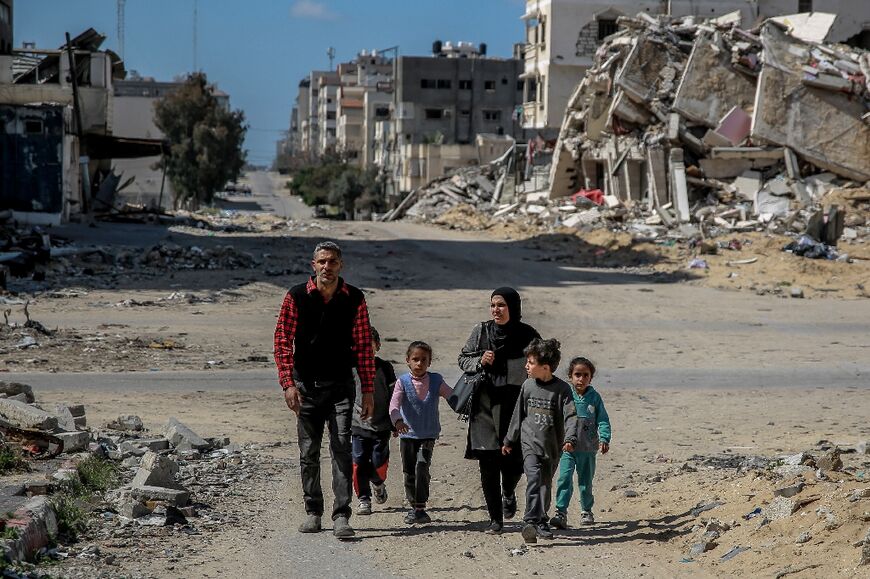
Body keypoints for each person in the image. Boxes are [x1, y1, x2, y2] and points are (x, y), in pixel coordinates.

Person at [273, 241, 375, 539]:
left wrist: (367, 390)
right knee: (309, 452)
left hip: (342, 387)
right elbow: (282, 342)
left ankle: (342, 515)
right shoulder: (296, 297)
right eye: (322, 262)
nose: (327, 267)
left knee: (342, 448)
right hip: (305, 386)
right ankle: (313, 511)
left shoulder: (354, 298)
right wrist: (287, 384)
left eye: (332, 262)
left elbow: (364, 349)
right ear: (313, 265)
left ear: (340, 265)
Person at [458, 287, 540, 534]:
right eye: (493, 305)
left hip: (516, 406)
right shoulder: (480, 331)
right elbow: (463, 359)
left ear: (513, 308)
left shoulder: (528, 335)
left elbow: (543, 361)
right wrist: (479, 360)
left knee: (514, 462)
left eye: (501, 305)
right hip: (484, 405)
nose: (496, 310)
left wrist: (532, 372)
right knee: (488, 463)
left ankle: (508, 491)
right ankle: (496, 519)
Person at [502, 338, 578, 544]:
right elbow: (518, 414)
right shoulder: (527, 386)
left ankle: (541, 520)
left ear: (545, 368)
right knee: (534, 478)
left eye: (530, 363)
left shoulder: (562, 390)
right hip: (530, 445)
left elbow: (571, 416)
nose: (526, 366)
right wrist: (509, 439)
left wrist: (570, 439)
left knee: (545, 485)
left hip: (552, 447)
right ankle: (530, 520)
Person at [389, 341, 453, 525]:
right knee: (409, 471)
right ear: (407, 360)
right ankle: (412, 506)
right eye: (415, 359)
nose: (419, 364)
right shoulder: (402, 382)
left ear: (429, 362)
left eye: (423, 360)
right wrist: (398, 421)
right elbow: (394, 404)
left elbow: (452, 396)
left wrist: (467, 404)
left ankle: (420, 506)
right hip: (407, 436)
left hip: (428, 435)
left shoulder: (436, 381)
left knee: (422, 466)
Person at [551, 357, 611, 529]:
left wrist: (605, 438)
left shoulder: (594, 398)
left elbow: (603, 420)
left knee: (585, 482)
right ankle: (560, 512)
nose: (581, 379)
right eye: (577, 374)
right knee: (564, 478)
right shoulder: (565, 396)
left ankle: (586, 511)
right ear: (570, 376)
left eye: (585, 375)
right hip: (566, 448)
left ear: (590, 378)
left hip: (588, 448)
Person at [351, 327, 397, 515]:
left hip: (382, 424)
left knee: (378, 462)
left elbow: (395, 395)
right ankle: (363, 498)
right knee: (359, 461)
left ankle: (378, 483)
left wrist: (396, 420)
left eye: (368, 346)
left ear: (377, 346)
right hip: (357, 424)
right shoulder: (351, 368)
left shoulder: (385, 367)